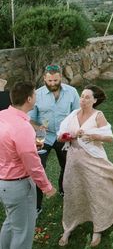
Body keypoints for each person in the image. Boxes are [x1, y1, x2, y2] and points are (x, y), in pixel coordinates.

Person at [57, 85, 113, 247]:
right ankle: (68, 227)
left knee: (96, 191)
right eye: (82, 96)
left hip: (93, 160)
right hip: (73, 161)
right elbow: (60, 137)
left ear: (94, 100)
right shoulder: (73, 115)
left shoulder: (98, 115)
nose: (83, 100)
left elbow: (109, 137)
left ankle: (98, 228)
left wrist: (92, 135)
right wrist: (69, 136)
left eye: (87, 97)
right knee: (72, 192)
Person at [0, 82, 56, 249]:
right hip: (18, 184)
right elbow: (32, 164)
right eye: (34, 95)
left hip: (4, 182)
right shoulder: (23, 127)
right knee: (22, 233)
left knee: (9, 224)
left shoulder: (2, 116)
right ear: (29, 99)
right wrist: (47, 187)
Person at [29, 64, 80, 209]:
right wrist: (38, 127)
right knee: (38, 168)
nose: (52, 84)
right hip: (42, 136)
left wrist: (72, 131)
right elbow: (29, 118)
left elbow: (77, 114)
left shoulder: (72, 92)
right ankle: (37, 206)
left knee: (67, 165)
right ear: (44, 78)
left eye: (56, 81)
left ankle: (64, 191)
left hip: (64, 135)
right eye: (49, 81)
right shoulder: (36, 95)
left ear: (60, 78)